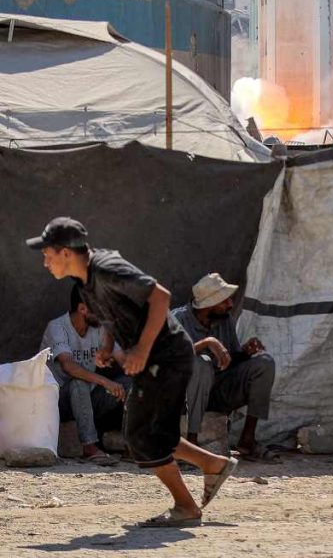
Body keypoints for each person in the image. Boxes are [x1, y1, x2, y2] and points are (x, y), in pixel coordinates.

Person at [27, 217, 236, 528]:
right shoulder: (86, 283)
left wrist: (140, 350)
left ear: (66, 253)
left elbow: (160, 296)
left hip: (165, 356)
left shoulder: (107, 267)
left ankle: (187, 505)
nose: (45, 262)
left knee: (141, 435)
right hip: (159, 358)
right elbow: (110, 317)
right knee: (151, 433)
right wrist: (107, 346)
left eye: (48, 254)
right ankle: (212, 465)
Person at [172, 273, 278, 462]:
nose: (230, 304)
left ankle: (247, 440)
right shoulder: (177, 319)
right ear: (209, 304)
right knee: (201, 362)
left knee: (264, 363)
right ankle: (192, 442)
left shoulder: (224, 319)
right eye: (224, 300)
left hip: (217, 392)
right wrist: (207, 342)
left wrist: (245, 353)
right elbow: (167, 358)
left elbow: (229, 361)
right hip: (183, 397)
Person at [40, 286, 131, 466]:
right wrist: (105, 381)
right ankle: (89, 446)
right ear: (83, 309)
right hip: (60, 401)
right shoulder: (57, 327)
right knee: (78, 383)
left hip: (91, 399)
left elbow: (122, 358)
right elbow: (68, 367)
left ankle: (132, 446)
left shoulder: (99, 329)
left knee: (131, 384)